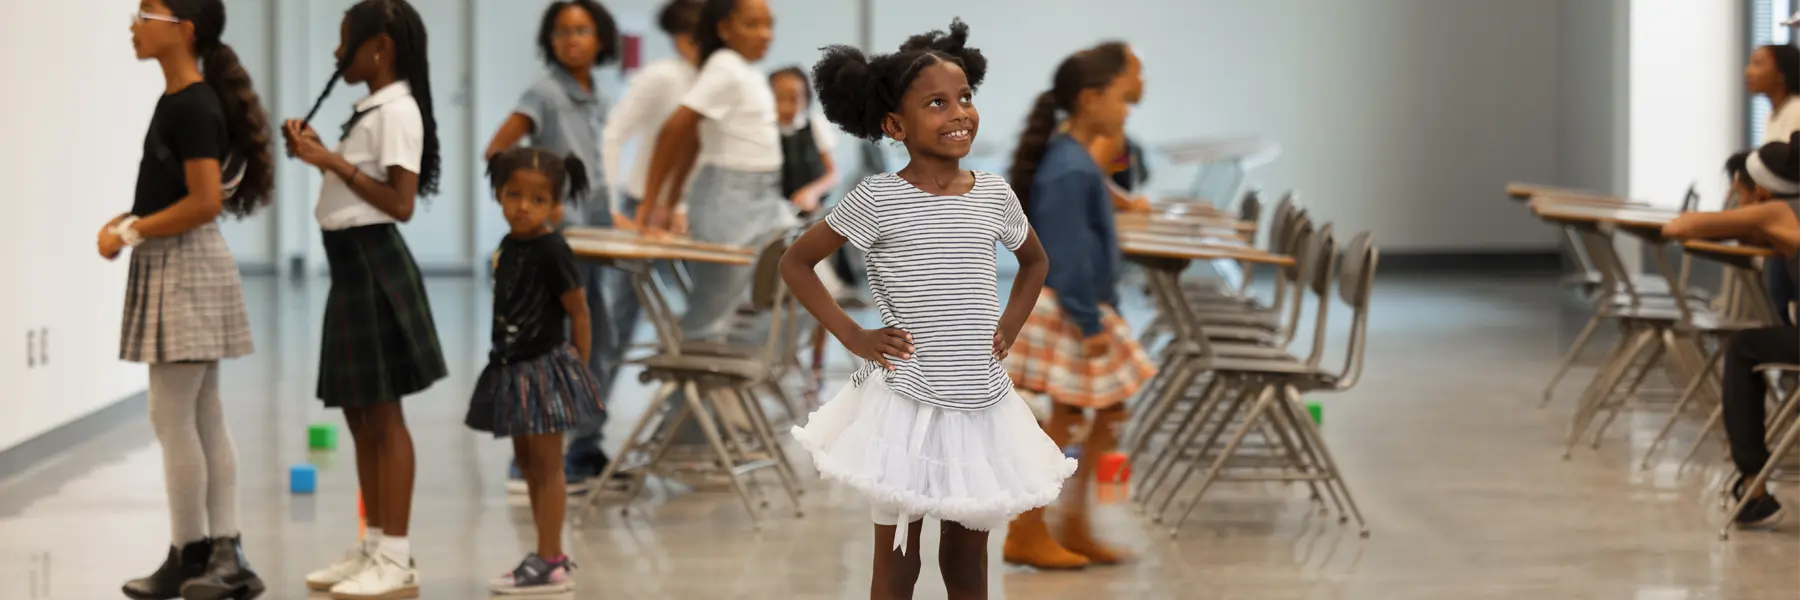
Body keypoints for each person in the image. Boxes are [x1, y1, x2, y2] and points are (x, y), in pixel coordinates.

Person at [784, 20, 1075, 600]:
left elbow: (1035, 263)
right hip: (906, 400)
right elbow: (796, 263)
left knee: (968, 558)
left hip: (979, 398)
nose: (959, 112)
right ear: (896, 125)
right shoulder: (878, 199)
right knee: (898, 560)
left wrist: (1006, 330)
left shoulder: (994, 194)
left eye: (965, 97)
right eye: (937, 103)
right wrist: (854, 336)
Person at [281, 1, 447, 597]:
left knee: (384, 417)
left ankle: (397, 556)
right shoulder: (372, 111)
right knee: (358, 416)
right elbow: (360, 186)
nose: (336, 54)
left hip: (376, 266)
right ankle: (373, 544)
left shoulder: (397, 111)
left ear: (380, 48)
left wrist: (328, 160)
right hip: (351, 270)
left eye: (345, 42)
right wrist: (323, 153)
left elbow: (399, 202)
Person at [114, 1, 272, 598]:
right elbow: (179, 192)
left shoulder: (192, 104)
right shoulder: (184, 102)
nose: (134, 25)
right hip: (180, 259)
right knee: (200, 413)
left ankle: (195, 553)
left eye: (145, 14)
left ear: (184, 30)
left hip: (186, 264)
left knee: (172, 414)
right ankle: (218, 554)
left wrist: (131, 230)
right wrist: (132, 220)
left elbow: (205, 201)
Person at [999, 44, 1158, 570]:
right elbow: (1065, 253)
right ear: (1090, 100)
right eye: (1120, 99)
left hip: (1080, 305)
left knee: (1097, 411)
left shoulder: (1075, 159)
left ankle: (1071, 522)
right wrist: (1090, 321)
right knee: (1068, 418)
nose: (1127, 110)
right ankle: (1030, 528)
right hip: (1072, 308)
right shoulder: (1068, 167)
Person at [481, 0, 621, 496]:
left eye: (582, 30)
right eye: (562, 32)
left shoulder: (599, 96)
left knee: (599, 341)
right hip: (559, 244)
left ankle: (584, 447)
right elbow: (497, 150)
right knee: (554, 350)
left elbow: (597, 170)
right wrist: (543, 203)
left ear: (600, 38)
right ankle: (534, 463)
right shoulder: (542, 94)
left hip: (597, 238)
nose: (572, 40)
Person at [468, 148, 608, 595]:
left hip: (546, 372)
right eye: (514, 195)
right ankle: (543, 554)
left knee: (548, 466)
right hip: (514, 369)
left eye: (537, 199)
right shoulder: (509, 246)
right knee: (527, 462)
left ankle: (551, 561)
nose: (523, 206)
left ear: (555, 206)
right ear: (498, 194)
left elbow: (579, 312)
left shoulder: (552, 248)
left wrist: (578, 370)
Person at [636, 0, 797, 339]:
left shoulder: (745, 70)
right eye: (753, 25)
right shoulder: (724, 66)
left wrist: (671, 199)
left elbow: (696, 141)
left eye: (769, 25)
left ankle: (728, 363)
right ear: (724, 28)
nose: (766, 34)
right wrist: (653, 204)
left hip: (763, 196)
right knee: (712, 311)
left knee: (807, 289)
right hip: (729, 198)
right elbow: (675, 129)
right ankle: (692, 381)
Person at [1661, 137, 1800, 528]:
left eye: (1739, 196)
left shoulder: (1777, 211)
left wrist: (1740, 223)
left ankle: (1753, 488)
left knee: (1742, 348)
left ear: (1760, 191)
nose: (1737, 204)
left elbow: (1682, 226)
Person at [598, 0, 702, 371]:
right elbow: (614, 133)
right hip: (642, 207)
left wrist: (683, 208)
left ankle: (687, 416)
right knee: (621, 318)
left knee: (705, 316)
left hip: (693, 214)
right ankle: (588, 424)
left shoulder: (718, 79)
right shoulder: (662, 76)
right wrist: (608, 204)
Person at [1747, 44, 1800, 324]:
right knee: (1778, 299)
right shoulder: (1773, 115)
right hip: (1777, 216)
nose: (1748, 71)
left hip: (1791, 218)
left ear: (1780, 74)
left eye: (1757, 64)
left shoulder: (1797, 111)